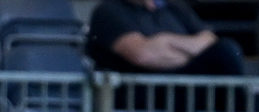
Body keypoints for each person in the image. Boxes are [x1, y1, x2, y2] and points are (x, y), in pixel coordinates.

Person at [86, 0, 244, 76]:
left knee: (226, 50)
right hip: (146, 94)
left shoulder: (175, 8)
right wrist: (194, 53)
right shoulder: (109, 11)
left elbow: (210, 40)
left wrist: (165, 40)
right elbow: (143, 54)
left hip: (187, 87)